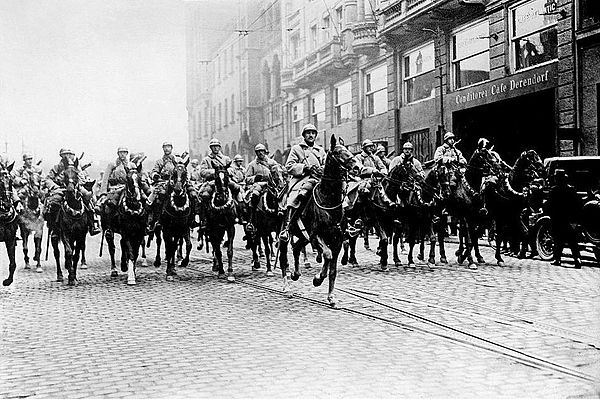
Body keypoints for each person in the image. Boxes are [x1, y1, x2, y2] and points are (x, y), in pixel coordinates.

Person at [279, 123, 326, 242]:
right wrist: (304, 168)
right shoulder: (297, 149)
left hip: (319, 178)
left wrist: (322, 169)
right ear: (304, 135)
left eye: (313, 133)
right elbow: (289, 166)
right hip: (302, 178)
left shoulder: (320, 150)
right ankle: (288, 226)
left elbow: (326, 164)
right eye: (308, 133)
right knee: (295, 196)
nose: (311, 135)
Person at [44, 148, 100, 235]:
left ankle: (93, 223)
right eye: (65, 154)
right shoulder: (57, 167)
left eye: (69, 154)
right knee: (54, 202)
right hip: (60, 188)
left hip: (75, 187)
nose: (67, 156)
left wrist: (79, 184)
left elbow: (82, 178)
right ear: (61, 156)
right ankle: (54, 228)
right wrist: (55, 187)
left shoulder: (76, 166)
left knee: (88, 197)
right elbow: (47, 179)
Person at [147, 141, 197, 232]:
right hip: (163, 182)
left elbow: (184, 169)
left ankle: (192, 219)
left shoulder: (178, 160)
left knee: (193, 194)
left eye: (168, 147)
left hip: (179, 182)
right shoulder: (159, 161)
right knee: (158, 196)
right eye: (165, 147)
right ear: (163, 149)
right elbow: (154, 171)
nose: (167, 149)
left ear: (171, 148)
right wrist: (155, 175)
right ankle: (157, 219)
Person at [197, 138, 244, 229]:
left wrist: (227, 171)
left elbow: (232, 168)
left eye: (217, 146)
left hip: (225, 180)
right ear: (211, 148)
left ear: (220, 147)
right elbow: (202, 172)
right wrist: (215, 172)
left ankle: (240, 215)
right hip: (212, 181)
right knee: (204, 195)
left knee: (238, 190)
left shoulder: (226, 158)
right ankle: (205, 219)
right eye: (213, 147)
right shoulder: (206, 159)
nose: (215, 148)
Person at [545, 169, 582, 268]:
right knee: (572, 241)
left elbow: (549, 205)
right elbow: (578, 205)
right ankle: (577, 259)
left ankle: (557, 259)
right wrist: (575, 220)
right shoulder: (572, 190)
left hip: (558, 220)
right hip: (570, 220)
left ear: (557, 179)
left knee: (558, 240)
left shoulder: (554, 190)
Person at [245, 144, 279, 231]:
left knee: (281, 196)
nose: (260, 153)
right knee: (254, 196)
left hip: (271, 184)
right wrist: (255, 178)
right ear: (256, 153)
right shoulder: (252, 165)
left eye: (262, 151)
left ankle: (282, 217)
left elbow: (279, 174)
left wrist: (277, 176)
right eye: (258, 151)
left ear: (265, 152)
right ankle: (251, 221)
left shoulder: (272, 163)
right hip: (258, 185)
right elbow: (247, 179)